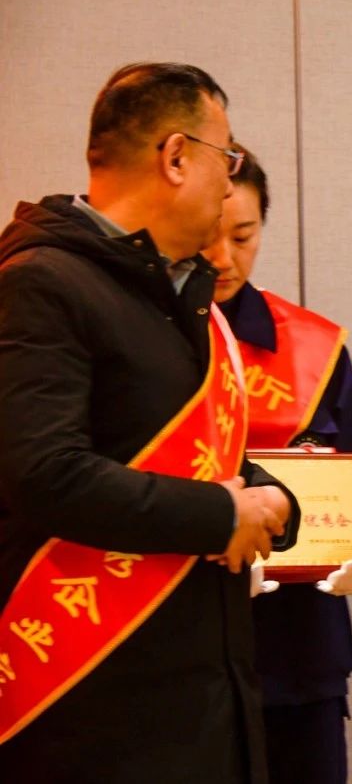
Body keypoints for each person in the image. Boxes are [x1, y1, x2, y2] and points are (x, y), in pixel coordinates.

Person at [0, 62, 297, 781]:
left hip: (206, 694)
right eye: (226, 157)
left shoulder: (179, 292)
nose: (229, 183)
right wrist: (220, 515)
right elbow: (44, 472)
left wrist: (272, 498)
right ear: (175, 157)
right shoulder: (42, 283)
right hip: (98, 708)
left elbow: (193, 455)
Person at [201, 146, 352, 784]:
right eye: (208, 234)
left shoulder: (313, 346)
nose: (223, 257)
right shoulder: (139, 339)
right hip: (180, 648)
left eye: (243, 236)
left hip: (299, 649)